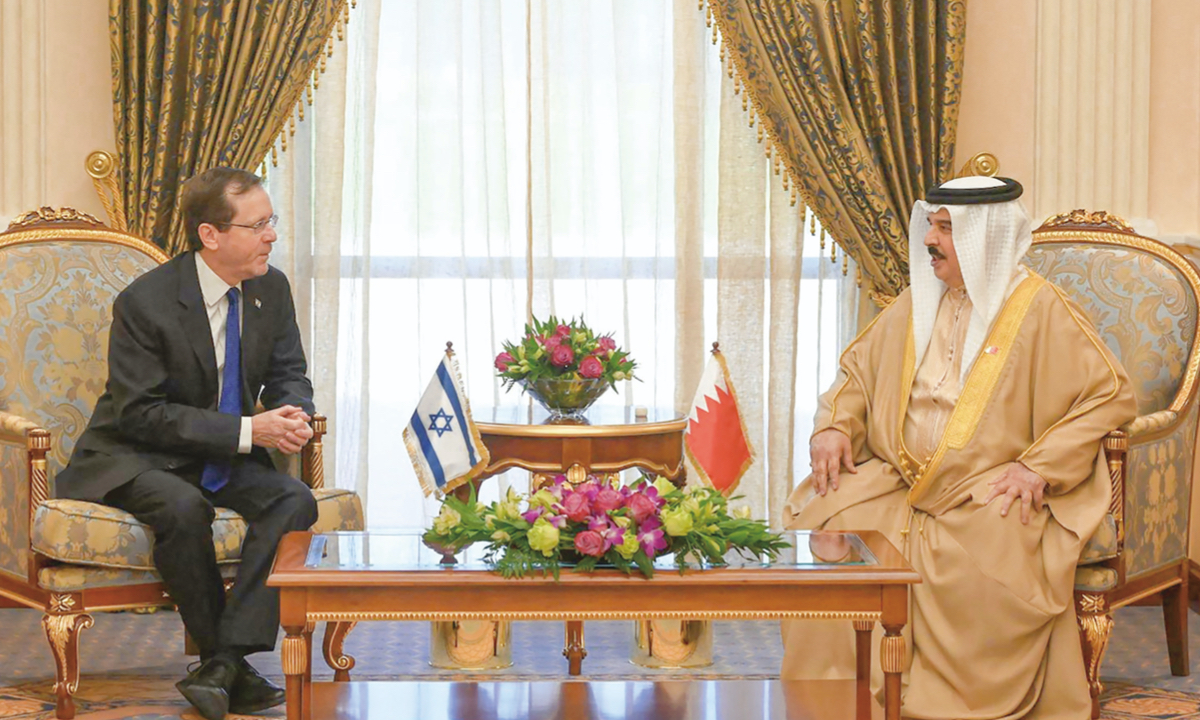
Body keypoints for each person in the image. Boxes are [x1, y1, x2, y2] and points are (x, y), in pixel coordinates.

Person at [780, 176, 1138, 719]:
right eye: (931, 224)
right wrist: (833, 426)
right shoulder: (918, 301)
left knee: (986, 554)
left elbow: (1109, 395)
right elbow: (856, 374)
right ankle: (840, 695)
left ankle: (949, 704)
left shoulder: (1039, 309)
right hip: (902, 477)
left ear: (983, 238)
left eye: (945, 229)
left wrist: (1038, 468)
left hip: (985, 487)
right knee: (826, 510)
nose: (929, 239)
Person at [56, 167, 319, 720]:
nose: (272, 235)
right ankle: (228, 664)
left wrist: (293, 412)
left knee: (294, 499)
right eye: (259, 225)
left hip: (216, 451)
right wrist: (251, 431)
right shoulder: (146, 302)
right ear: (211, 235)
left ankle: (221, 663)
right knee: (181, 506)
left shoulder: (271, 287)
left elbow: (290, 371)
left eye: (272, 222)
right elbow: (141, 413)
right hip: (135, 452)